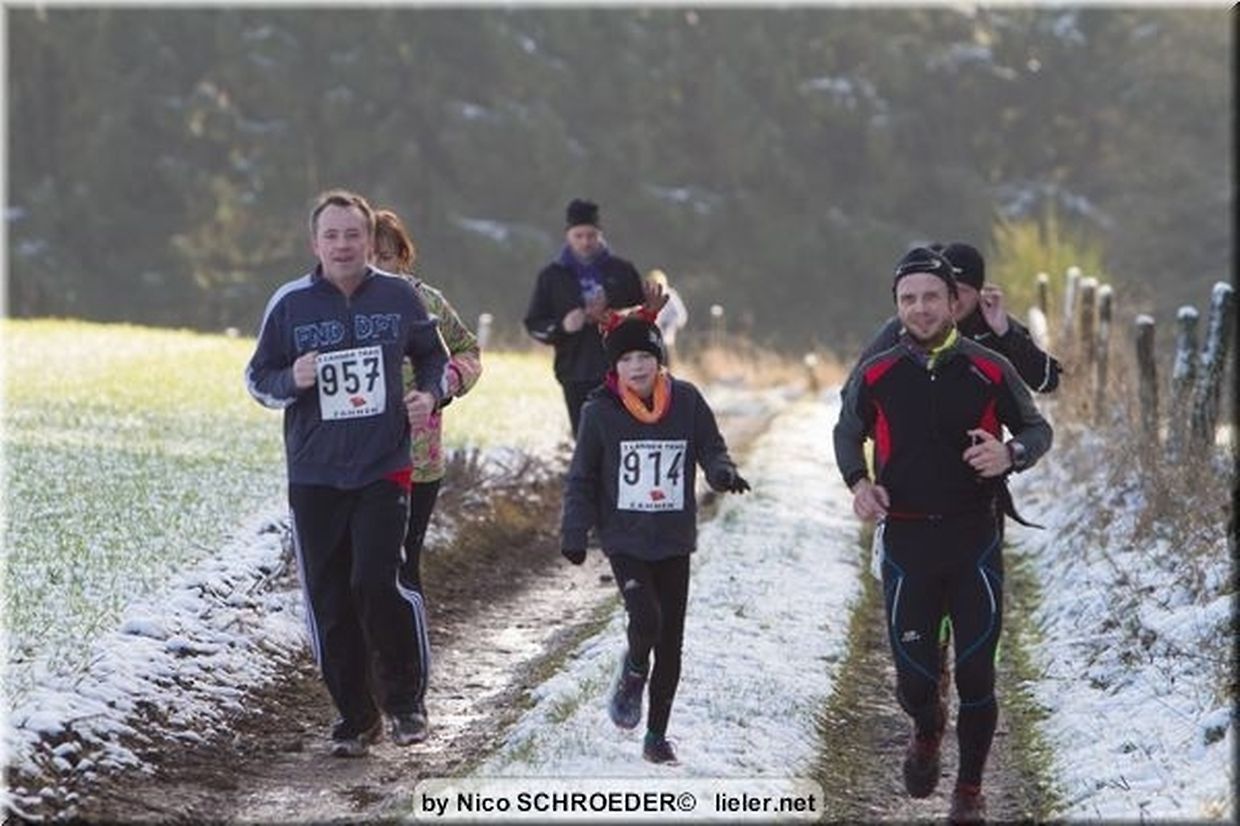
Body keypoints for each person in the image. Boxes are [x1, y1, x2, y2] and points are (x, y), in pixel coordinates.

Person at [832, 246, 1052, 823]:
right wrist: (859, 483)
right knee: (915, 684)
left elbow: (1037, 427)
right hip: (907, 543)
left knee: (978, 674)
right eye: (909, 299)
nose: (921, 308)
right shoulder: (877, 372)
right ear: (896, 305)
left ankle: (969, 791)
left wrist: (1011, 453)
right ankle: (927, 730)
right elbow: (846, 431)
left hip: (973, 537)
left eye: (932, 297)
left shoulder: (989, 367)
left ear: (954, 302)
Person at [245, 189, 449, 757]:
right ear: (315, 244)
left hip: (384, 465)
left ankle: (405, 703)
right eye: (331, 236)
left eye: (352, 235)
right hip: (314, 473)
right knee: (329, 597)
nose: (342, 245)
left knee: (378, 581)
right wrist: (292, 379)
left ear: (368, 239)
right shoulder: (290, 303)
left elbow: (434, 358)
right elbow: (258, 378)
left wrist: (430, 395)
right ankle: (356, 717)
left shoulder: (399, 296)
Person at [560, 312, 750, 766]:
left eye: (645, 356)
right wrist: (574, 531)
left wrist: (722, 472)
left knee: (671, 641)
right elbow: (582, 477)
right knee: (646, 619)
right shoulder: (599, 412)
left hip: (673, 538)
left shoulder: (686, 401)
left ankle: (656, 736)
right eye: (626, 359)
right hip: (624, 538)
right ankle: (633, 669)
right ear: (614, 368)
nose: (637, 367)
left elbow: (710, 447)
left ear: (659, 359)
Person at [372, 207, 483, 732]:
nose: (378, 266)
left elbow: (468, 350)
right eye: (369, 256)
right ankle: (368, 685)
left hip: (418, 460)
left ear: (403, 256)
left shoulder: (426, 301)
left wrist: (443, 387)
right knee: (360, 574)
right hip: (355, 460)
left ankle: (409, 686)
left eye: (386, 256)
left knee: (401, 567)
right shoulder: (341, 303)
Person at [853, 242, 1062, 394]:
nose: (956, 299)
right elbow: (855, 389)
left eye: (965, 291)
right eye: (949, 289)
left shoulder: (992, 326)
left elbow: (1046, 381)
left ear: (979, 293)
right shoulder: (908, 326)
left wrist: (1005, 333)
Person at [524, 198, 645, 437]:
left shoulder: (623, 271)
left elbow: (645, 314)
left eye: (591, 235)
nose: (585, 242)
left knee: (623, 437)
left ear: (600, 234)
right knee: (585, 439)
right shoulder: (552, 276)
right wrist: (562, 326)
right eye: (578, 236)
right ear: (567, 235)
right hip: (575, 370)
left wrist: (614, 310)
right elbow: (534, 323)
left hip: (623, 369)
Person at [646, 269, 688, 367]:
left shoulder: (670, 296)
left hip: (666, 340)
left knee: (667, 369)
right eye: (652, 283)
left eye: (657, 283)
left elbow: (681, 316)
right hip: (649, 342)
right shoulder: (646, 297)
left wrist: (669, 323)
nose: (654, 286)